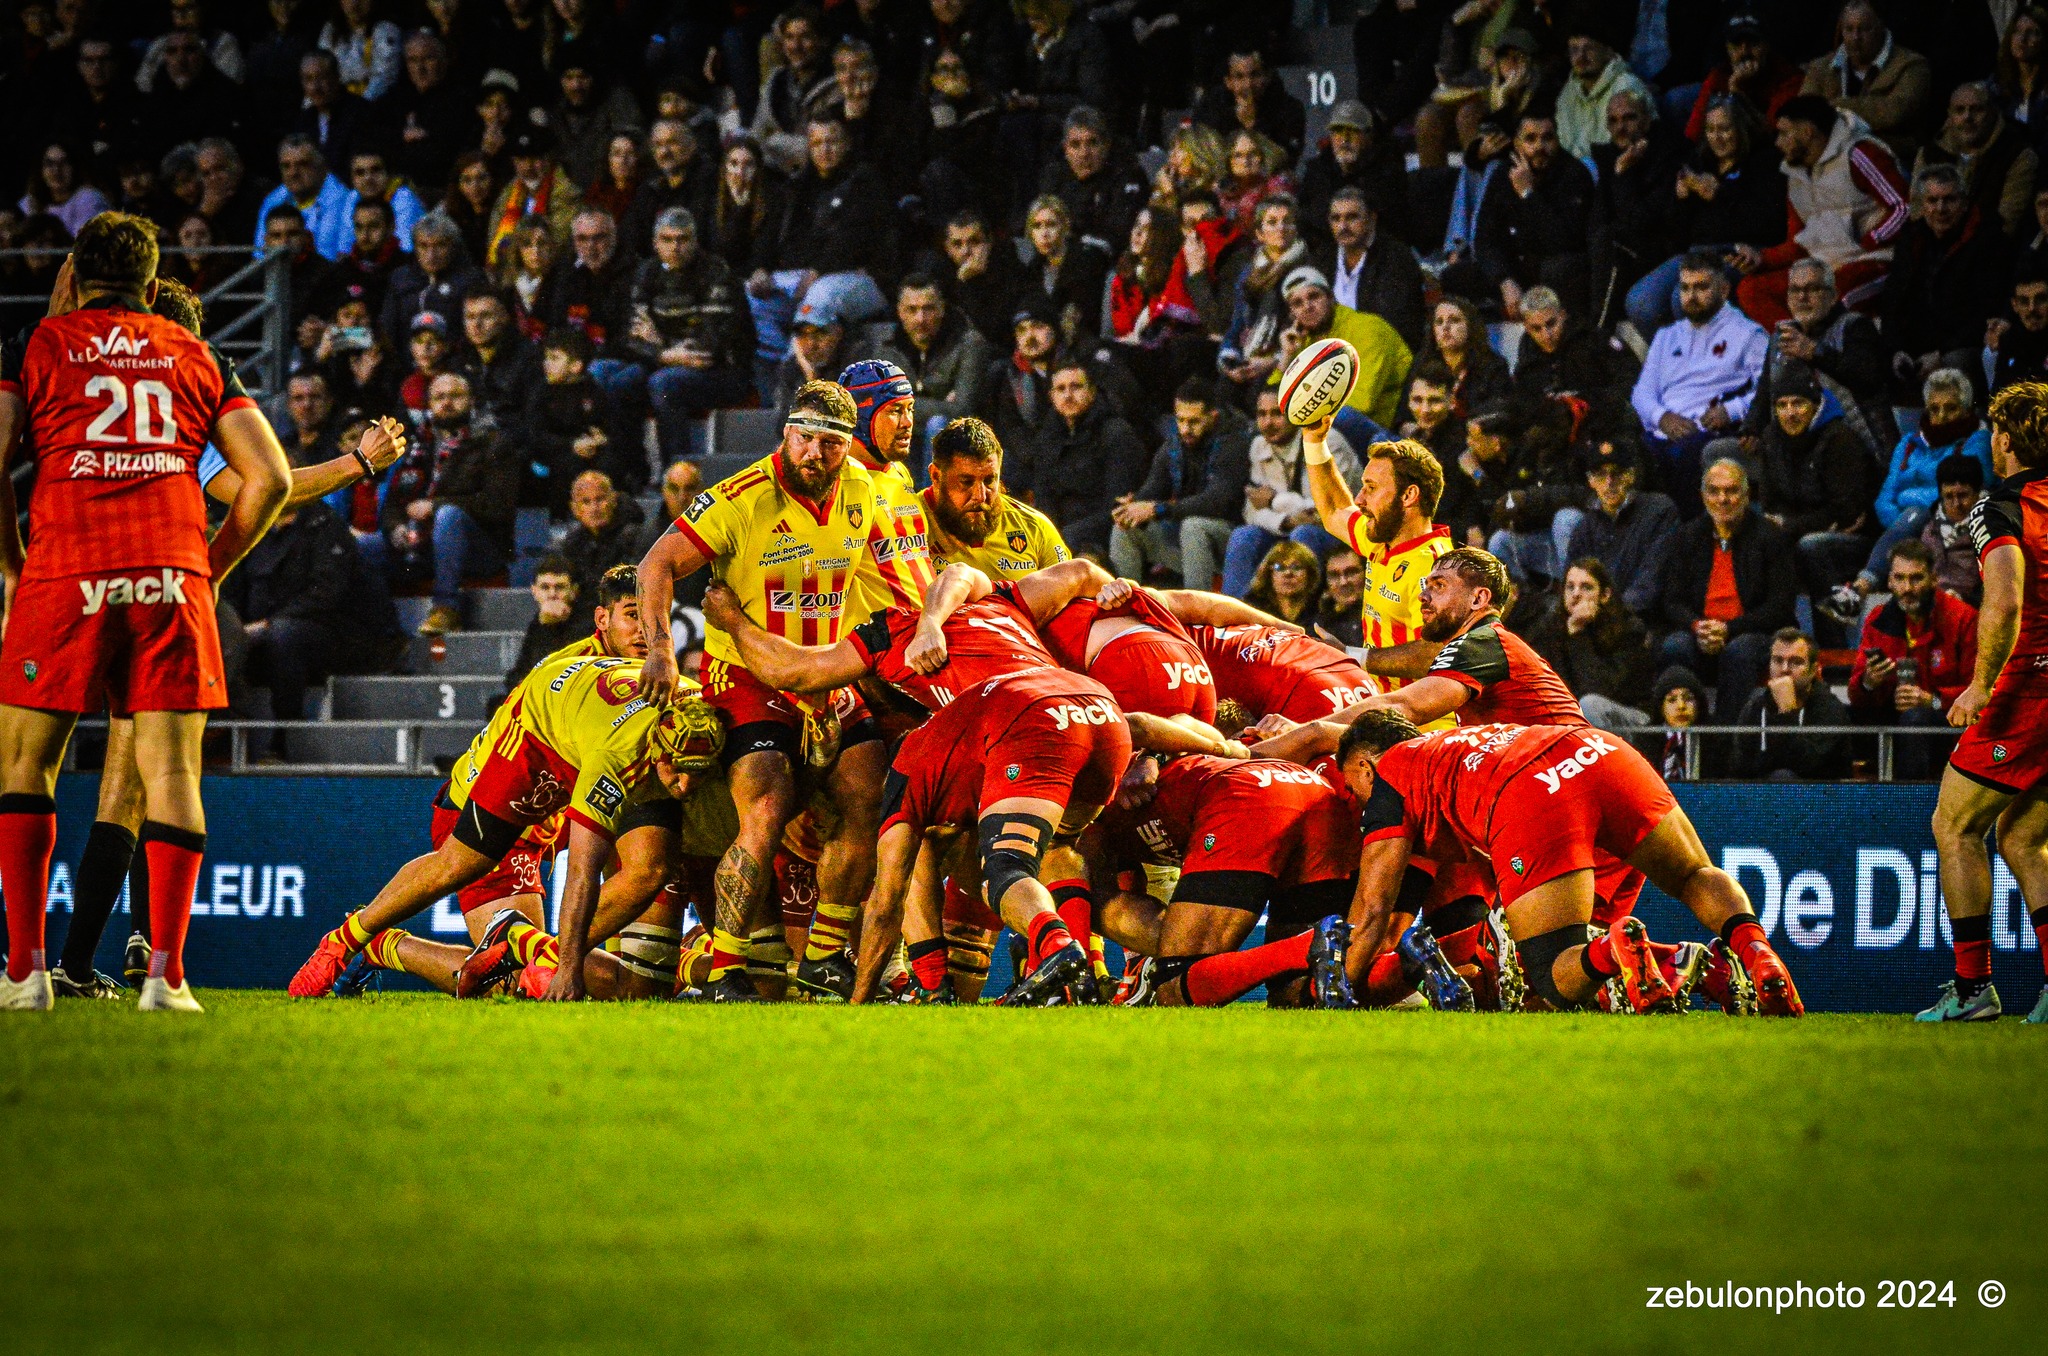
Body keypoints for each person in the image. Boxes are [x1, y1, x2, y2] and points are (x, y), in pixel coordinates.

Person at [0, 214, 293, 1013]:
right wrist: (208, 566)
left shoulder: (41, 346)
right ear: (154, 282)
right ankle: (166, 975)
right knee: (172, 774)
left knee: (27, 764)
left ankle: (26, 973)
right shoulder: (197, 353)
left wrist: (12, 564)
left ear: (74, 272)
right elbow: (269, 478)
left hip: (65, 569)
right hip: (168, 573)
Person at [703, 559, 1142, 1005]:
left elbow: (794, 671)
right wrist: (1120, 593)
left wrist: (732, 622)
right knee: (1055, 851)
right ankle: (1082, 973)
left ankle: (1053, 948)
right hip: (1102, 711)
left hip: (1023, 717)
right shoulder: (1002, 603)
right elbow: (1063, 571)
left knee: (1001, 867)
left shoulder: (896, 664)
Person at [633, 381, 893, 1003]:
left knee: (868, 790)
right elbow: (655, 565)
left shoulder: (863, 489)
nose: (814, 454)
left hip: (825, 673)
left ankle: (826, 956)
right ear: (785, 435)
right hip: (747, 677)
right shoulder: (740, 497)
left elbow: (888, 573)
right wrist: (664, 649)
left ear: (847, 445)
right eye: (803, 438)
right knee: (768, 806)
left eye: (829, 443)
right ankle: (726, 966)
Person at [288, 651, 709, 1003]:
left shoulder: (697, 721)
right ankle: (346, 940)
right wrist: (564, 967)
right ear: (603, 617)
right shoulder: (621, 751)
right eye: (629, 614)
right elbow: (583, 865)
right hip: (536, 743)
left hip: (577, 759)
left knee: (649, 871)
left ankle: (525, 944)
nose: (686, 785)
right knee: (463, 869)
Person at [1337, 711, 1803, 1015]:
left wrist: (1339, 989)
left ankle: (1614, 947)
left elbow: (1374, 907)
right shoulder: (1454, 746)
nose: (1357, 803)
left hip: (1532, 793)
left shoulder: (1390, 775)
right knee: (1693, 874)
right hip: (1599, 751)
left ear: (1363, 767)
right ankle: (1758, 952)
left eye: (1350, 787)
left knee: (1553, 978)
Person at [1921, 381, 2048, 1022]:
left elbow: (2003, 600)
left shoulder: (1999, 506)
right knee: (2024, 838)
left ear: (2003, 439)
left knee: (1954, 825)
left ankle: (1974, 990)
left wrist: (1982, 683)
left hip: (2028, 686)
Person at [1090, 753, 1357, 1009]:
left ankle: (1303, 946)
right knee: (1292, 992)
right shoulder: (1158, 754)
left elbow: (1147, 724)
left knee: (1175, 983)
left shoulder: (1082, 809)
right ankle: (1398, 962)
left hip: (1246, 792)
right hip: (1315, 789)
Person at [1300, 425, 1455, 719]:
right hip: (1383, 713)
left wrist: (1351, 656)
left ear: (1409, 495)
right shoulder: (1380, 541)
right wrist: (1314, 441)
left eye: (1371, 488)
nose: (1360, 499)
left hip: (1425, 728)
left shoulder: (1436, 566)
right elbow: (1334, 511)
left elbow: (1434, 654)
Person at [1731, 95, 1908, 325]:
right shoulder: (1795, 176)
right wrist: (1761, 259)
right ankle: (1795, 347)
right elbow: (1799, 244)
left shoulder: (1858, 154)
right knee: (1752, 290)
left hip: (1874, 261)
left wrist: (1870, 240)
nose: (1777, 143)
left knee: (1830, 298)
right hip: (1823, 270)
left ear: (1807, 132)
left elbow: (1904, 207)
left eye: (1784, 133)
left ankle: (1822, 350)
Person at [1628, 94, 1789, 337]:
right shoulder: (1700, 161)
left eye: (1725, 129)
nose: (1717, 137)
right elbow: (1676, 233)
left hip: (1736, 252)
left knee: (1682, 300)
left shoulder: (1765, 161)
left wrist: (1719, 194)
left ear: (1742, 128)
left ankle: (1709, 368)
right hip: (1696, 252)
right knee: (1639, 303)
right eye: (1711, 129)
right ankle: (1678, 364)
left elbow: (1769, 223)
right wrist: (1681, 200)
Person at [1658, 458, 1799, 718]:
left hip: (1753, 633)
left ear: (1746, 495)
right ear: (1702, 496)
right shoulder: (1686, 537)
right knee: (1674, 646)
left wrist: (1729, 629)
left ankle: (1725, 741)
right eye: (1714, 491)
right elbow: (1672, 600)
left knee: (1739, 652)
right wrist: (1698, 626)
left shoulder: (1770, 537)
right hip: (1701, 633)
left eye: (1732, 491)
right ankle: (1682, 738)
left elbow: (1780, 606)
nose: (1723, 499)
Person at [382, 372, 517, 635]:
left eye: (456, 396)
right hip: (423, 544)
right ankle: (378, 630)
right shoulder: (416, 446)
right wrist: (396, 527)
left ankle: (446, 608)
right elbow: (393, 504)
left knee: (448, 517)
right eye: (439, 397)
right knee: (364, 546)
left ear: (472, 401)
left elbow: (498, 505)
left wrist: (435, 506)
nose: (447, 403)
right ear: (429, 405)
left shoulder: (494, 443)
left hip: (481, 548)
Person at [1630, 253, 1767, 508]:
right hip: (1661, 431)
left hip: (1708, 432)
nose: (1691, 297)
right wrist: (1662, 417)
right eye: (1685, 288)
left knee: (1686, 459)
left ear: (1724, 290)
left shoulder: (1749, 334)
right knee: (1624, 456)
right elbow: (1641, 393)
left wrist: (1731, 410)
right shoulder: (1667, 336)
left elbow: (1767, 390)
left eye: (1701, 287)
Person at [626, 206, 758, 458]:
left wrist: (660, 343)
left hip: (726, 373)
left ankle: (677, 471)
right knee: (620, 380)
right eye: (667, 239)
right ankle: (630, 471)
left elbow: (707, 348)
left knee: (664, 384)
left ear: (695, 241)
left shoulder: (716, 271)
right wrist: (667, 354)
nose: (675, 247)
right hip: (669, 364)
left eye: (682, 239)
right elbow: (631, 338)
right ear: (655, 243)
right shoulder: (646, 273)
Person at [1738, 258, 1895, 466]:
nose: (1802, 297)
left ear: (1832, 296)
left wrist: (1815, 352)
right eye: (1795, 290)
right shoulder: (1782, 335)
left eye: (1812, 289)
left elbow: (1869, 380)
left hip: (1857, 444)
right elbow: (1765, 392)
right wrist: (1751, 430)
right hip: (1796, 444)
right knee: (1719, 451)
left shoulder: (1855, 326)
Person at [1878, 165, 2014, 401]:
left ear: (1963, 202)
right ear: (1922, 205)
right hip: (1917, 347)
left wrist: (1941, 353)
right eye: (1933, 200)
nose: (1941, 209)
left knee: (1953, 366)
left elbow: (1985, 311)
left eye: (1949, 200)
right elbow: (1893, 299)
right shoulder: (1912, 238)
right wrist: (1897, 349)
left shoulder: (1988, 240)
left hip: (1963, 344)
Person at [1748, 364, 1880, 600]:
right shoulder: (1771, 438)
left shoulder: (1839, 439)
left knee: (1810, 546)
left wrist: (1789, 525)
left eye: (1798, 403)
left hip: (1853, 540)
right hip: (1802, 529)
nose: (1790, 413)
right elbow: (1770, 504)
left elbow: (1846, 513)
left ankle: (1831, 632)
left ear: (1816, 404)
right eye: (1782, 405)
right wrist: (1788, 525)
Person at [1849, 540, 1977, 779]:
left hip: (1950, 724)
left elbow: (1978, 691)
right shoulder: (1877, 620)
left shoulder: (1962, 619)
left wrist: (1933, 700)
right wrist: (1869, 682)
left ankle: (1908, 803)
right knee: (1846, 716)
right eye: (1899, 578)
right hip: (1894, 720)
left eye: (1916, 578)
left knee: (1915, 718)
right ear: (1889, 581)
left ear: (1933, 579)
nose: (1906, 588)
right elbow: (1856, 693)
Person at [1110, 377, 1251, 590]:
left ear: (1213, 416)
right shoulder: (1176, 443)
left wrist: (1157, 509)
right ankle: (1128, 608)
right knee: (1126, 527)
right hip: (1189, 545)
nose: (1186, 429)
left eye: (1194, 421)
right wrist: (1132, 506)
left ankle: (1196, 612)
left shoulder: (1234, 441)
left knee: (1193, 526)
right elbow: (1155, 486)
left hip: (1231, 541)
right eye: (1180, 420)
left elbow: (1216, 502)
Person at [1221, 387, 1357, 598]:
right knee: (1243, 535)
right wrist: (1286, 520)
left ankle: (1302, 618)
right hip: (1287, 530)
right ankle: (1234, 620)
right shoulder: (1259, 446)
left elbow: (1326, 512)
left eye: (1277, 414)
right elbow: (1251, 512)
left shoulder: (1327, 442)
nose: (1268, 423)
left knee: (1304, 534)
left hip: (1340, 537)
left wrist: (1275, 501)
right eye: (1262, 414)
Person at [1470, 113, 1599, 320]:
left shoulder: (1574, 174)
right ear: (1516, 144)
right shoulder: (1502, 174)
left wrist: (1528, 194)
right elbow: (1485, 240)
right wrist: (1505, 281)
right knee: (1456, 276)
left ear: (1558, 140)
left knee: (1558, 269)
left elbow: (1563, 242)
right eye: (1530, 139)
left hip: (1557, 270)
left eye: (1547, 138)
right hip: (1517, 270)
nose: (1540, 146)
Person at [920, 415, 1069, 581]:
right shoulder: (907, 522)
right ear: (936, 476)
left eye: (989, 480)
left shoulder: (1035, 528)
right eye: (966, 482)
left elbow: (1072, 597)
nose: (980, 496)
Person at [1031, 358, 1147, 559]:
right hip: (1060, 535)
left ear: (1092, 392)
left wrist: (1065, 537)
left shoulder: (1116, 433)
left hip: (1104, 539)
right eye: (1060, 389)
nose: (1068, 395)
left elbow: (1117, 507)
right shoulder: (1046, 437)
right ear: (1051, 396)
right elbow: (1044, 497)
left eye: (1076, 387)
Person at [1270, 266, 1411, 431]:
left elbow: (1362, 403)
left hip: (1384, 429)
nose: (1307, 306)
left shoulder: (1367, 329)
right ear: (1292, 314)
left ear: (1331, 298)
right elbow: (1271, 401)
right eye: (1298, 303)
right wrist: (1287, 356)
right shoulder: (1304, 341)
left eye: (1314, 296)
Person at [1527, 559, 1655, 732]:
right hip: (1573, 716)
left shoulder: (1630, 630)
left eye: (1586, 587)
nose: (1576, 594)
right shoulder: (1549, 628)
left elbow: (1599, 688)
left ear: (1605, 595)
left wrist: (1578, 635)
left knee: (1590, 705)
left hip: (1630, 717)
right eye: (1570, 587)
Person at [1798, 1, 1935, 162]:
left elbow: (1896, 112)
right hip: (1827, 161)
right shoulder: (1820, 68)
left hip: (1889, 159)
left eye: (1864, 29)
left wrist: (1833, 107)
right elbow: (1803, 114)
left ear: (1880, 27)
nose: (1856, 37)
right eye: (1849, 29)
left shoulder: (1912, 66)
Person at [870, 275, 992, 451]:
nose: (920, 319)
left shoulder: (969, 343)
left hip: (954, 442)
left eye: (929, 309)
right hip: (902, 434)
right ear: (899, 311)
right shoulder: (884, 345)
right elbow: (877, 405)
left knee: (938, 424)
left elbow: (963, 410)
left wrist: (898, 403)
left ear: (942, 309)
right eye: (912, 310)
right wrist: (942, 404)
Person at [1565, 442, 1680, 618]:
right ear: (1591, 481)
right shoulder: (1585, 526)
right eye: (1601, 475)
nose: (1609, 482)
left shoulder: (1659, 511)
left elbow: (1651, 582)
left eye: (1617, 473)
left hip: (1645, 620)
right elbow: (1571, 582)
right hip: (1595, 618)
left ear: (1631, 476)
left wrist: (1606, 613)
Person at [1916, 80, 2039, 239]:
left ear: (1992, 113)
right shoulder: (1929, 154)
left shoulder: (2018, 155)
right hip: (1933, 247)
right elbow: (1917, 213)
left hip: (1989, 251)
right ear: (1950, 115)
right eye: (1959, 110)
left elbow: (2007, 222)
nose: (1967, 117)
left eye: (1976, 110)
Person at [1726, 628, 1854, 779]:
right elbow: (1739, 767)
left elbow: (1808, 766)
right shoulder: (1756, 704)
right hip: (1762, 796)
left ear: (1813, 670)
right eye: (1778, 661)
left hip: (1820, 797)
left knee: (1783, 777)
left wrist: (1787, 713)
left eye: (1796, 662)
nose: (1785, 669)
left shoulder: (1830, 709)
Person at [1318, 186, 1425, 353]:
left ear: (1371, 219)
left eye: (1352, 218)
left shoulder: (1396, 258)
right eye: (1336, 219)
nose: (1343, 226)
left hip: (1379, 353)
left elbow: (1392, 323)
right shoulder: (1323, 258)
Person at [1509, 287, 1638, 410]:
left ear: (1562, 315)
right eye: (1536, 329)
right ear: (1526, 327)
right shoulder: (1527, 359)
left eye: (1551, 324)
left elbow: (1631, 378)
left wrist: (1589, 403)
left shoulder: (1593, 340)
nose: (1546, 335)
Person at [1554, 24, 1655, 161]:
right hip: (1575, 172)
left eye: (1589, 48)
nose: (1581, 56)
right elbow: (1563, 143)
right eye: (1574, 50)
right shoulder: (1567, 93)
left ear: (1608, 52)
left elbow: (1624, 144)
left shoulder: (1627, 86)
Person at [255, 133, 354, 259]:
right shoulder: (273, 201)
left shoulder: (344, 200)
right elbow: (258, 256)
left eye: (302, 164)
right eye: (286, 166)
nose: (293, 172)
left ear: (321, 166)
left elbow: (342, 257)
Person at [557, 470, 645, 605]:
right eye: (586, 502)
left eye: (600, 499)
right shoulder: (572, 543)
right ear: (575, 509)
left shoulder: (633, 537)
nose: (594, 508)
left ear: (614, 500)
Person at [504, 556, 585, 691]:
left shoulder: (587, 624)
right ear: (534, 591)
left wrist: (548, 627)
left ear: (574, 591)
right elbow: (518, 673)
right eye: (545, 587)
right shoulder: (538, 622)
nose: (552, 594)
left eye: (559, 587)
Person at [1242, 541, 1321, 627]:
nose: (1288, 573)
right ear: (1269, 574)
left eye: (1296, 567)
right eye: (1280, 567)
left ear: (1310, 574)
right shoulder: (1251, 609)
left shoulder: (1322, 610)